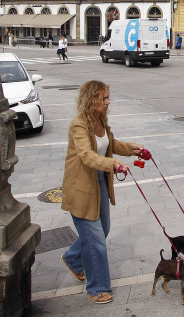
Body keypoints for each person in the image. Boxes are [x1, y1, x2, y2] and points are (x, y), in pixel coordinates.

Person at [60, 80, 144, 304]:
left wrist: (132, 149)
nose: (108, 102)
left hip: (99, 182)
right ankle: (97, 288)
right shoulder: (79, 124)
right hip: (81, 187)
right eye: (104, 98)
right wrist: (113, 164)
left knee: (102, 229)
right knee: (95, 238)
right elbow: (87, 155)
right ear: (91, 100)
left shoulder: (101, 120)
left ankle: (73, 259)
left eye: (108, 97)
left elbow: (110, 143)